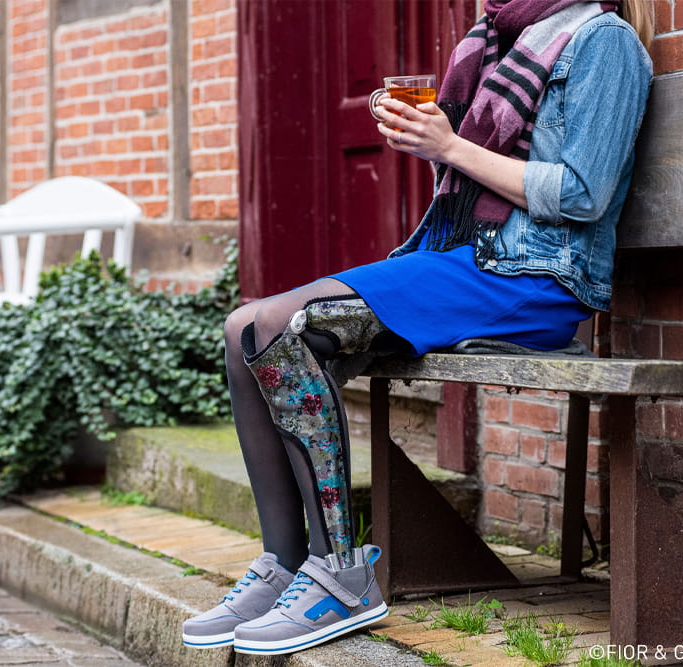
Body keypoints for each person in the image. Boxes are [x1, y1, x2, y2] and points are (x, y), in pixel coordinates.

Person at [182, 0, 653, 656]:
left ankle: (341, 575)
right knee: (243, 330)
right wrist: (431, 141)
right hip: (472, 264)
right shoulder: (498, 41)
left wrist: (450, 144)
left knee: (281, 329)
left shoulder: (606, 43)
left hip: (535, 282)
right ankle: (287, 563)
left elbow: (582, 194)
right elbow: (477, 184)